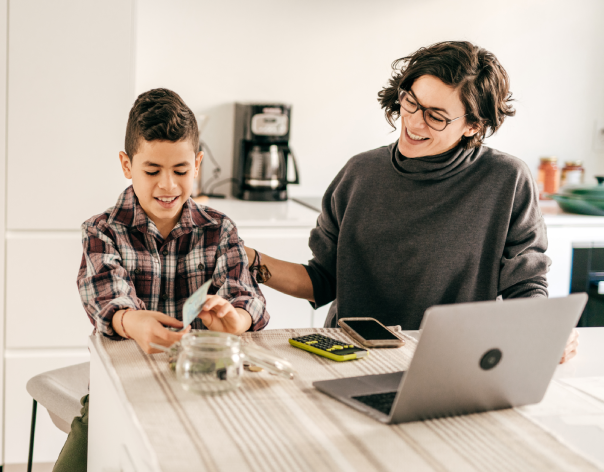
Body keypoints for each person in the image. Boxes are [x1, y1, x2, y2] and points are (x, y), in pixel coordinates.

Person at [244, 40, 579, 364]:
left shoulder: (506, 179)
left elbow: (525, 283)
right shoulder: (359, 174)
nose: (414, 121)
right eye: (411, 102)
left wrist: (546, 329)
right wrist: (249, 260)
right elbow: (323, 280)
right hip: (351, 355)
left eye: (436, 116)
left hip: (452, 360)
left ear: (472, 125)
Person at [53, 88, 269, 472]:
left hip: (202, 384)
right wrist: (131, 322)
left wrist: (236, 320)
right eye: (152, 171)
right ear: (127, 164)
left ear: (197, 164)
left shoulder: (219, 229)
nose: (168, 186)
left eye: (180, 171)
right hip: (121, 388)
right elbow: (106, 295)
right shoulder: (102, 231)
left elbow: (245, 295)